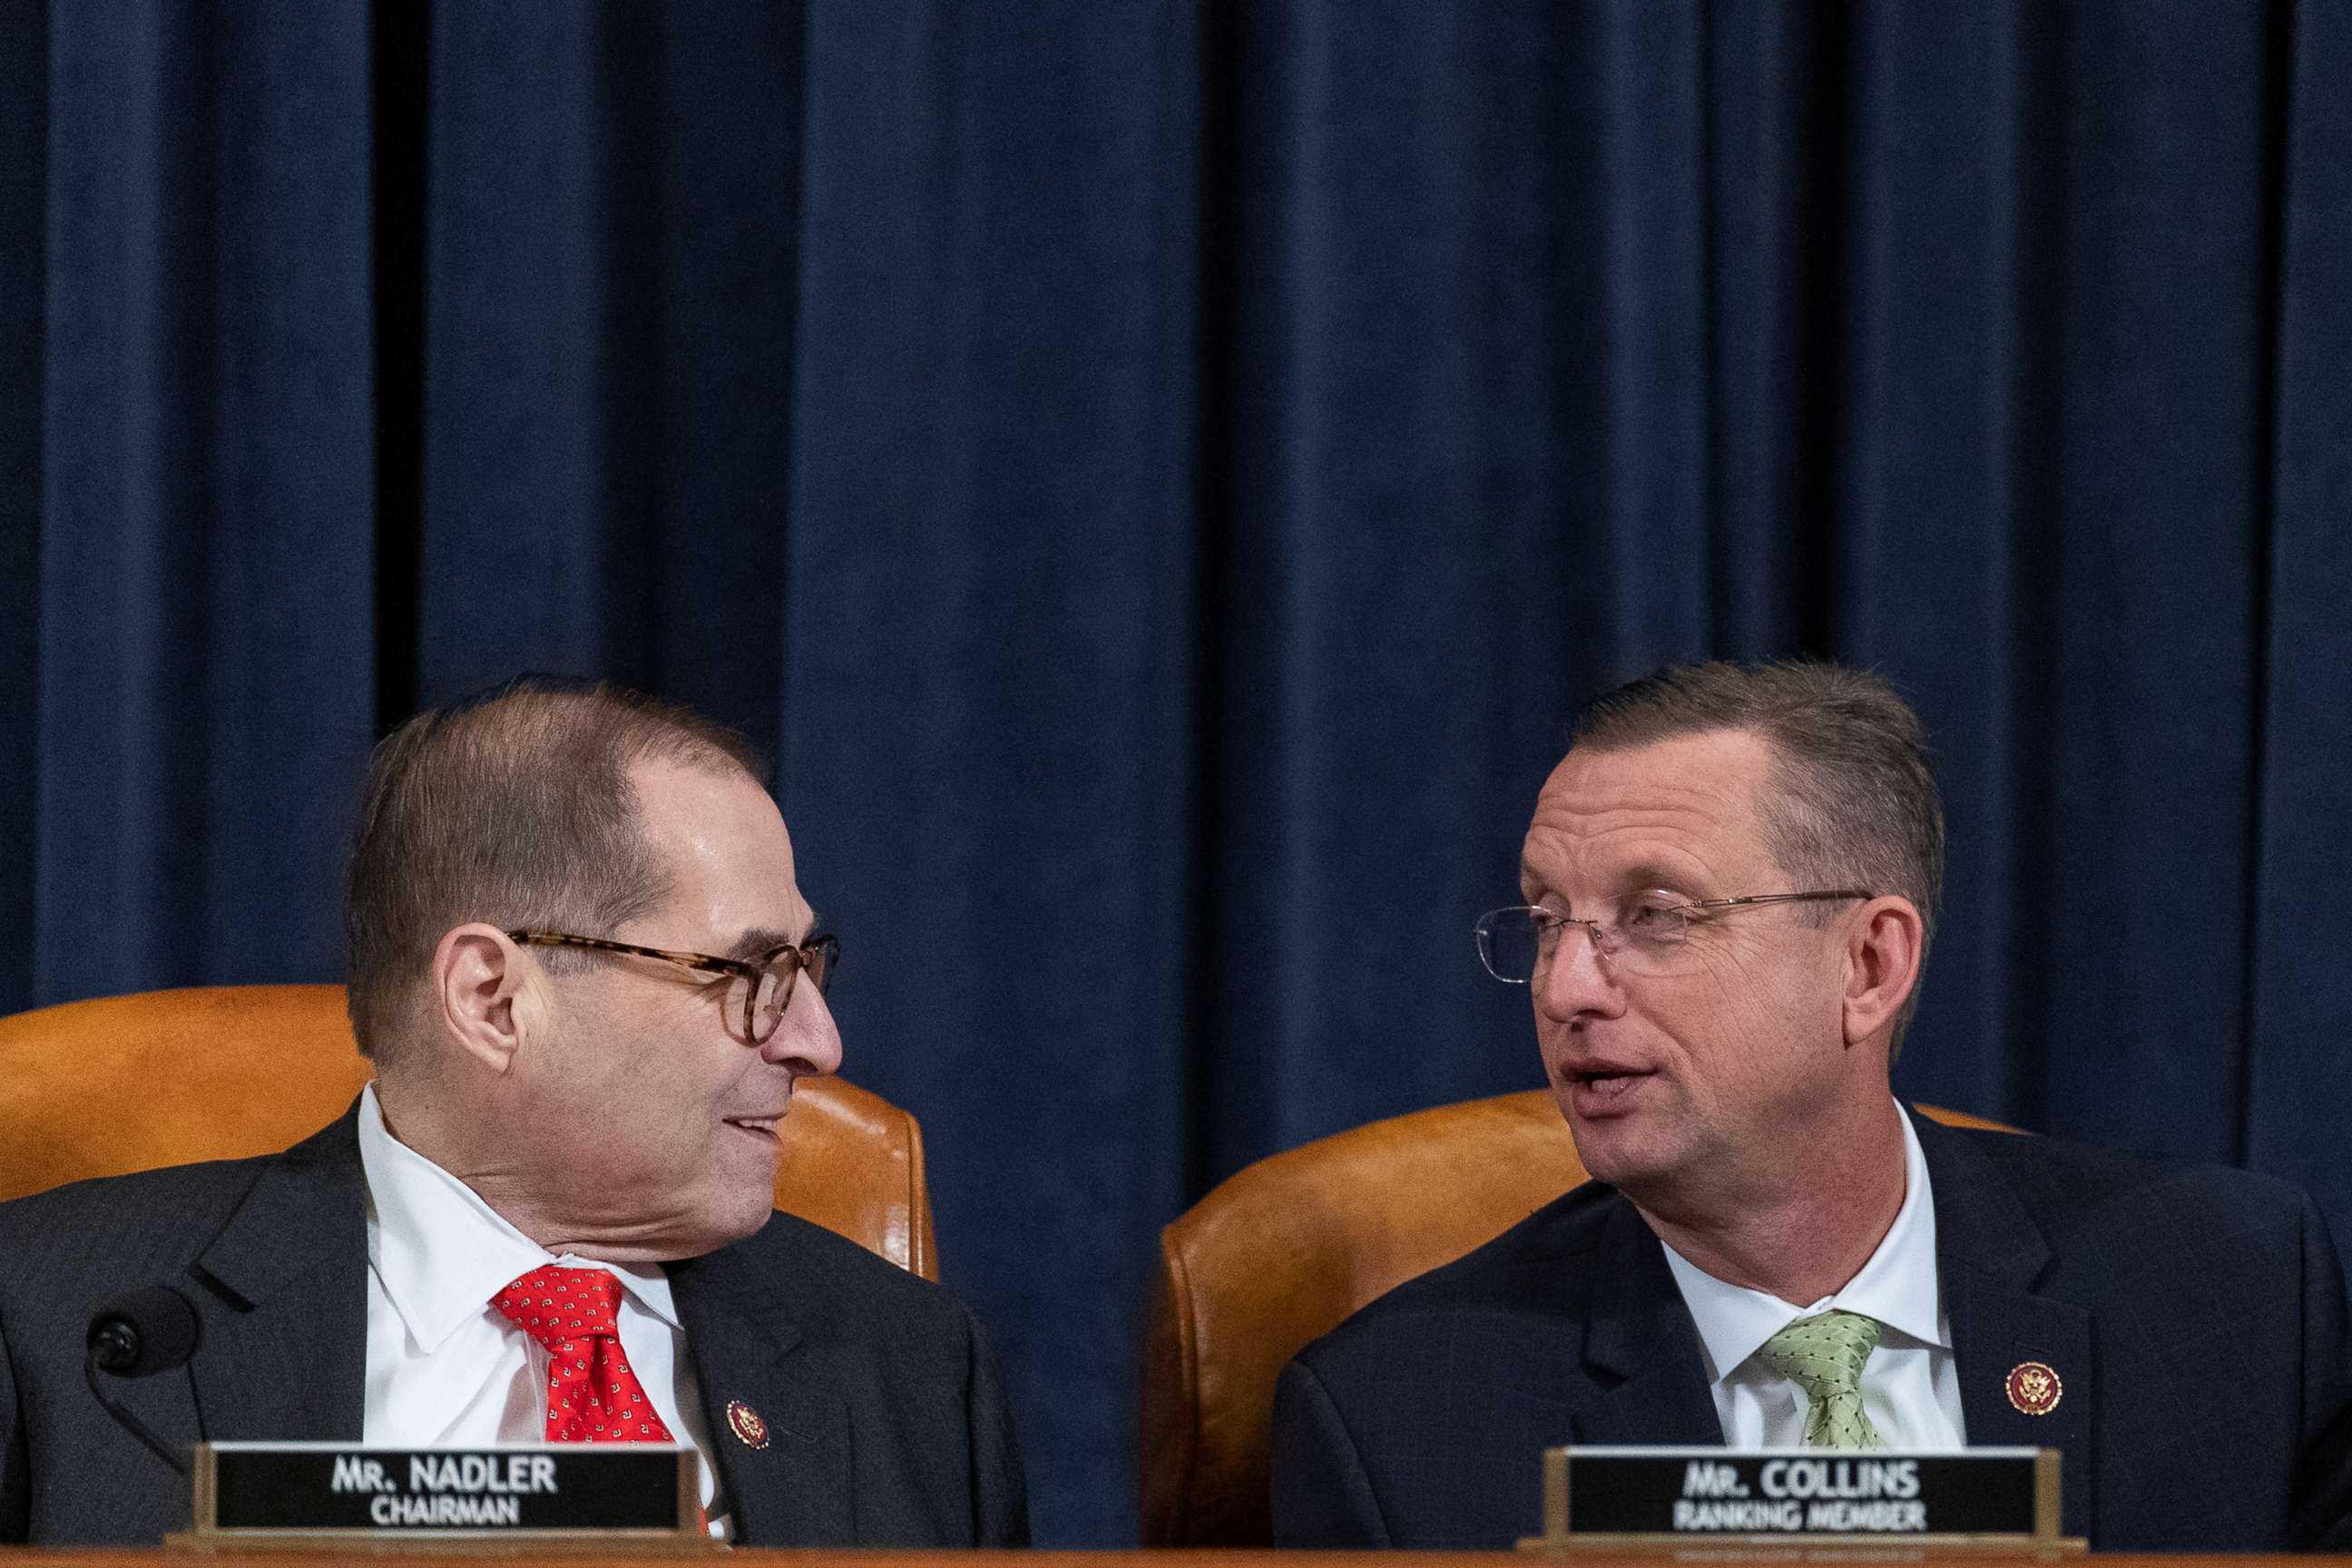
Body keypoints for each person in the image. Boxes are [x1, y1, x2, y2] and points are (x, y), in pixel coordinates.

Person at [1270, 660, 2352, 1550]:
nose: (1564, 988)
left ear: (1869, 965)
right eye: (1549, 918)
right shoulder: (1398, 1425)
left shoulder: (2238, 1297)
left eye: (1654, 914)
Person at [0, 677, 1027, 1546]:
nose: (818, 1043)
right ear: (493, 1000)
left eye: (811, 969)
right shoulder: (55, 1323)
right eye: (751, 972)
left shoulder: (915, 1373)